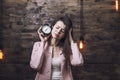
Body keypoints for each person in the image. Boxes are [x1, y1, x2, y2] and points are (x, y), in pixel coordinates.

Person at [30, 15, 84, 80]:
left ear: (65, 35)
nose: (58, 31)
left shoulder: (67, 49)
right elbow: (35, 66)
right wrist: (43, 42)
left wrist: (71, 40)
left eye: (62, 31)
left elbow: (78, 62)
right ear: (52, 26)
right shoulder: (38, 45)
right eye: (57, 27)